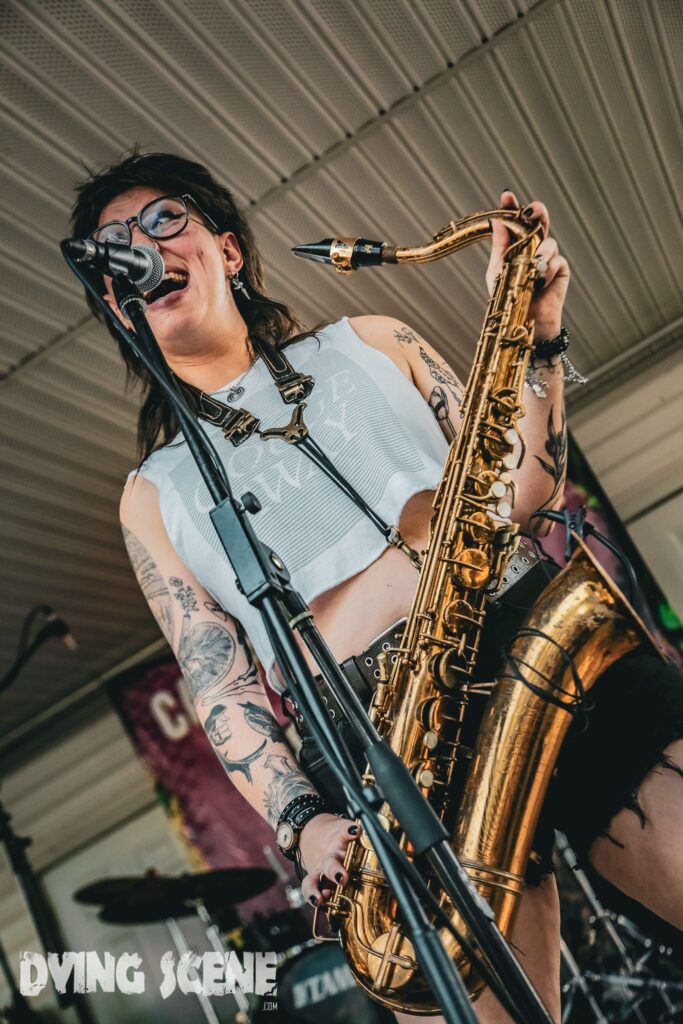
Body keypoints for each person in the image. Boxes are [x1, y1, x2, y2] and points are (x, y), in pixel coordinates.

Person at [70, 151, 683, 1023]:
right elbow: (221, 687)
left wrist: (540, 337)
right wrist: (303, 823)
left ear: (228, 250)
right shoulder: (152, 496)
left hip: (530, 635)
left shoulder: (371, 340)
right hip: (380, 746)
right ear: (113, 300)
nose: (140, 245)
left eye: (164, 219)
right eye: (115, 245)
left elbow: (526, 488)